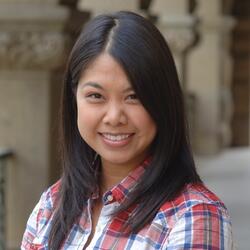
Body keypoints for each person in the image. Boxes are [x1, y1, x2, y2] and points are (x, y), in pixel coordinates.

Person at [21, 11, 233, 249]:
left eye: (133, 97)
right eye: (96, 96)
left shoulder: (195, 216)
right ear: (74, 101)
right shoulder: (53, 204)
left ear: (162, 102)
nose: (114, 117)